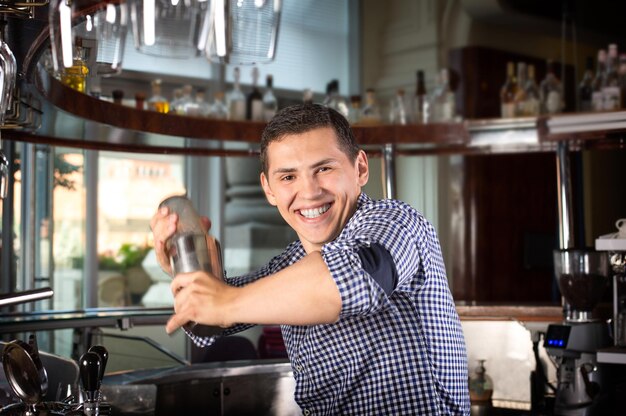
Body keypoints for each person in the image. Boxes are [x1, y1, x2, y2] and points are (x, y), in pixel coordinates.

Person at [150, 103, 470, 415]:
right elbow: (208, 325)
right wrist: (185, 267)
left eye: (324, 168)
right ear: (269, 189)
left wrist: (225, 301)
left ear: (359, 168)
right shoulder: (289, 265)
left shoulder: (395, 221)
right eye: (288, 177)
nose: (309, 192)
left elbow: (360, 277)